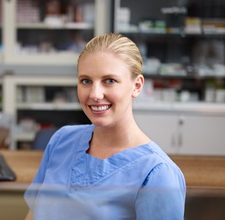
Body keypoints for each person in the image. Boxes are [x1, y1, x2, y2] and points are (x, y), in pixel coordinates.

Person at [24, 33, 186, 219]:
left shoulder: (157, 173)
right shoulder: (62, 140)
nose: (95, 94)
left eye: (109, 81)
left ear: (137, 86)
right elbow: (34, 213)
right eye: (86, 81)